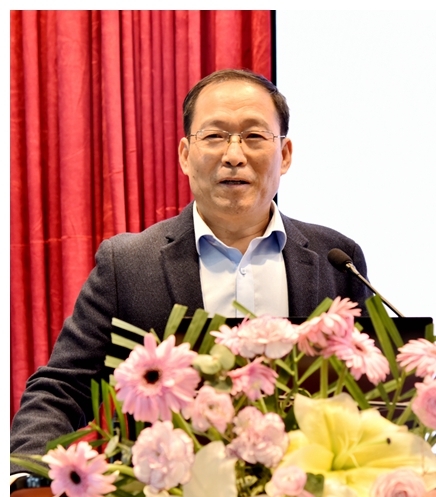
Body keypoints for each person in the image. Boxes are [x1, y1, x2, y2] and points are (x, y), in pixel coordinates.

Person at [11, 69, 372, 461]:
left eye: (254, 136)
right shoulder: (128, 265)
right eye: (214, 136)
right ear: (185, 155)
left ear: (284, 155)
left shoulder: (337, 260)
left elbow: (371, 388)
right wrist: (24, 474)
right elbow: (62, 388)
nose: (234, 156)